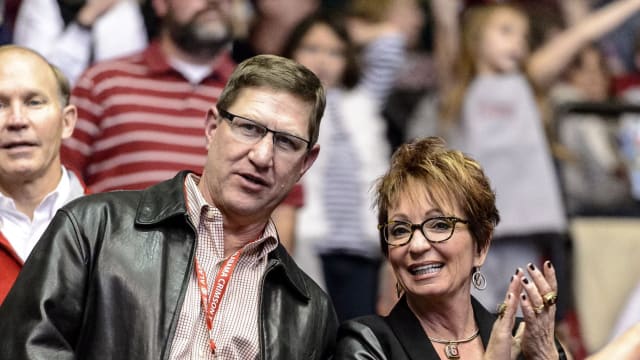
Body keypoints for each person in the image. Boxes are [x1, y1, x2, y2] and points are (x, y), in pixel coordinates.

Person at [0, 54, 338, 359]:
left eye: (286, 142)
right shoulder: (94, 226)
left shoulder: (310, 310)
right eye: (249, 128)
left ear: (306, 163)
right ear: (212, 128)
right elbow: (26, 346)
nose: (262, 156)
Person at [429, 0, 640, 321]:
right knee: (468, 317)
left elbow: (581, 32)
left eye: (523, 36)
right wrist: (443, 14)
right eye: (506, 31)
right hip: (473, 228)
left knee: (520, 318)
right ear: (475, 39)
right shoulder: (461, 84)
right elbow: (445, 26)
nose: (518, 42)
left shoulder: (527, 81)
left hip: (522, 228)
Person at [335, 137, 568, 359]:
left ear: (481, 245)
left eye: (439, 225)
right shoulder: (367, 343)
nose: (416, 245)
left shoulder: (525, 341)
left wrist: (544, 356)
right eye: (400, 230)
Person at [282, 11, 400, 321]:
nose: (323, 60)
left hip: (361, 247)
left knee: (359, 334)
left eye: (335, 52)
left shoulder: (362, 102)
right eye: (312, 48)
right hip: (309, 242)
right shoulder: (283, 103)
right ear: (290, 52)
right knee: (310, 333)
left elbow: (390, 44)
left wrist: (356, 31)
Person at [0, 45, 87, 305]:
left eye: (34, 102)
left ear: (67, 122)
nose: (17, 120)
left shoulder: (116, 229)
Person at [13, 0, 148, 85]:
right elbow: (43, 79)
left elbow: (128, 78)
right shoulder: (40, 5)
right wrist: (85, 21)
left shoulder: (125, 9)